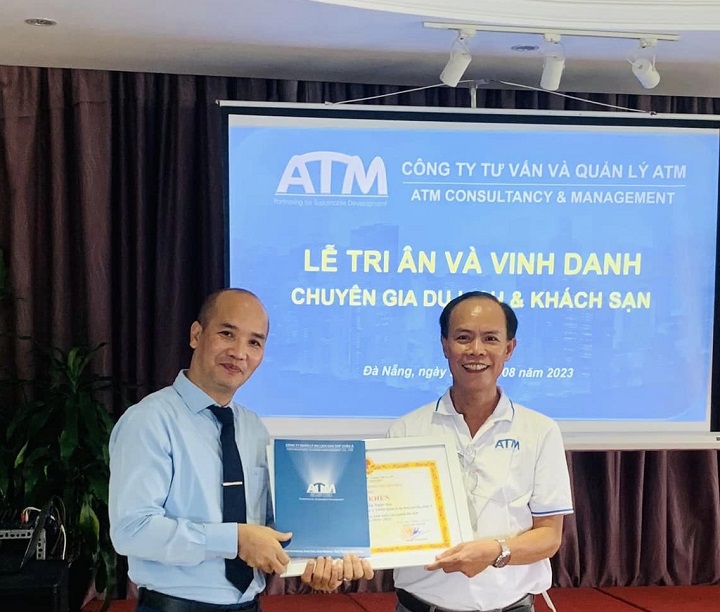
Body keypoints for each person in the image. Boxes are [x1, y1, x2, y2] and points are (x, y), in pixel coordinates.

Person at [109, 288, 372, 612]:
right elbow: (132, 530)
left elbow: (271, 525)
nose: (239, 352)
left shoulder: (253, 428)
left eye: (254, 342)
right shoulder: (149, 420)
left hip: (249, 605)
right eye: (227, 334)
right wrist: (234, 540)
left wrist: (318, 562)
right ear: (196, 335)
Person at [387, 291, 573, 612]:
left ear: (509, 348)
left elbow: (549, 536)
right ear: (445, 345)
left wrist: (495, 552)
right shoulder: (406, 430)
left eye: (490, 338)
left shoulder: (540, 431)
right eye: (463, 338)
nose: (476, 350)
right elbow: (388, 525)